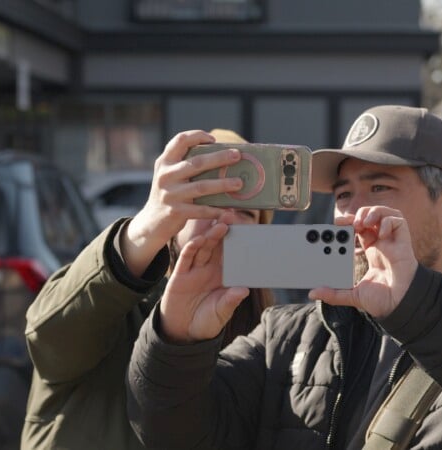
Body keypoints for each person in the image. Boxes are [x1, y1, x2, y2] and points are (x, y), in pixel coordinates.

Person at [126, 105, 442, 449]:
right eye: (342, 193)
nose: (350, 214)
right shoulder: (284, 335)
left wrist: (419, 306)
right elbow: (175, 433)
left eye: (379, 187)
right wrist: (176, 340)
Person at [20, 129, 274, 450]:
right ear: (172, 216)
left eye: (246, 212)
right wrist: (141, 232)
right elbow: (47, 337)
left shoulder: (268, 338)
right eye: (209, 201)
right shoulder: (115, 304)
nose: (226, 220)